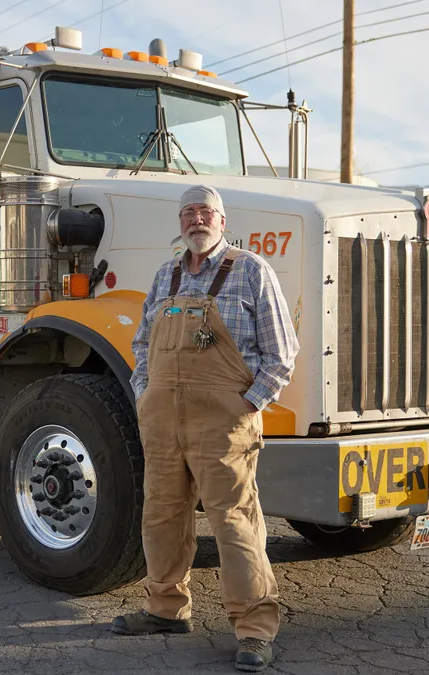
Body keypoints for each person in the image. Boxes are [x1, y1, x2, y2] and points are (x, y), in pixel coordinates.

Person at [112, 185, 299, 673]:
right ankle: (165, 609)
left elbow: (282, 355)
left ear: (222, 219)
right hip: (162, 421)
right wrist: (144, 394)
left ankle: (255, 629)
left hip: (223, 423)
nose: (198, 219)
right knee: (161, 517)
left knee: (234, 523)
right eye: (189, 212)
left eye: (206, 212)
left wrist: (248, 405)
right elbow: (141, 346)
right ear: (180, 222)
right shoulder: (166, 276)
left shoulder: (251, 270)